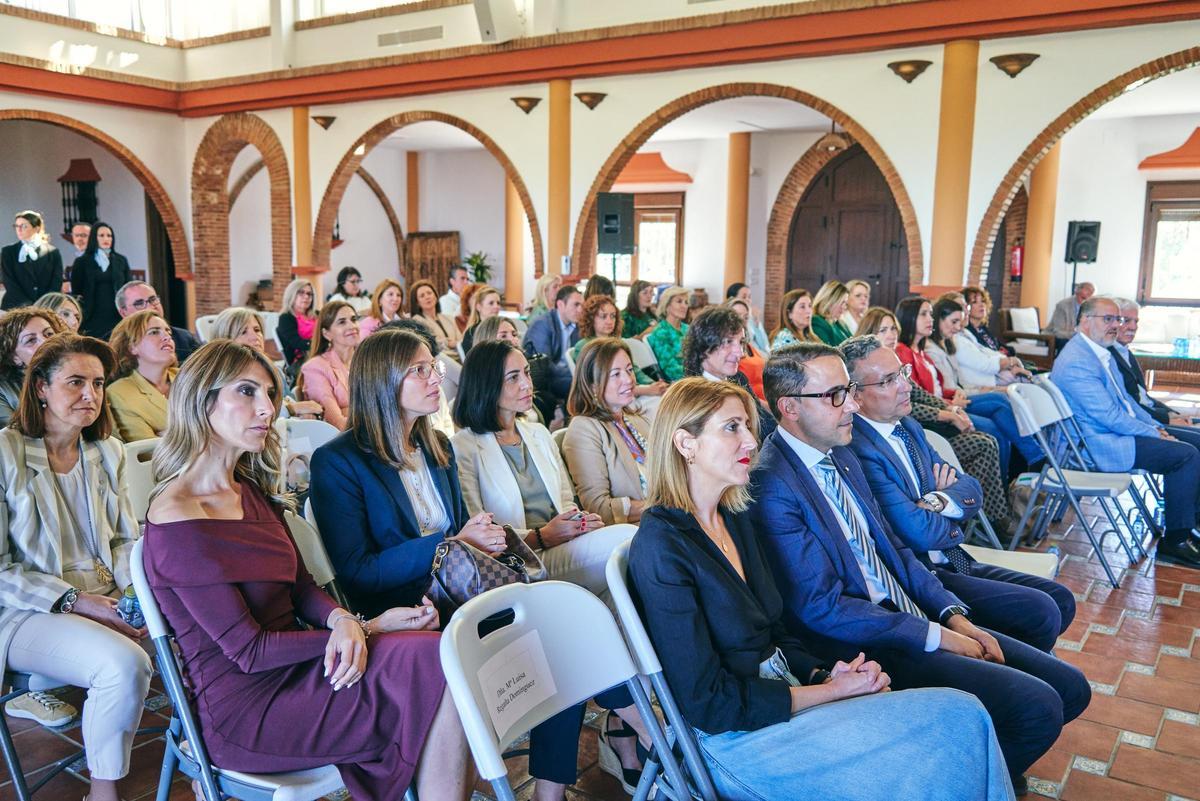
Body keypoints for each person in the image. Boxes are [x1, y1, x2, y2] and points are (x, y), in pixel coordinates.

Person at [628, 377, 1014, 801]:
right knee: (951, 729)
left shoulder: (732, 516)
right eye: (731, 427)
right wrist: (829, 691)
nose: (752, 442)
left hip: (785, 696)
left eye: (749, 427)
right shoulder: (663, 546)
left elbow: (775, 634)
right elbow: (707, 704)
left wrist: (826, 673)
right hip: (737, 741)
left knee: (963, 718)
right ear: (686, 443)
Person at [749, 343, 1090, 795]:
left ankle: (974, 768)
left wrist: (953, 615)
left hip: (910, 613)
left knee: (1070, 688)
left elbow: (894, 549)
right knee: (1039, 708)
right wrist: (938, 636)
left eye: (849, 390)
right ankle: (958, 778)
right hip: (863, 643)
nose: (852, 404)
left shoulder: (840, 451)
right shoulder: (774, 483)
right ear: (789, 408)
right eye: (836, 395)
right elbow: (822, 609)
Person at [142, 339, 475, 801]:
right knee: (434, 667)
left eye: (269, 394)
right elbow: (249, 652)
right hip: (248, 707)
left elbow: (299, 587)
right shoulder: (177, 518)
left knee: (443, 658)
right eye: (246, 392)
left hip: (308, 667)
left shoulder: (248, 491)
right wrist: (368, 627)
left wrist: (342, 619)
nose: (266, 409)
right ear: (202, 401)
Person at [451, 339, 653, 799]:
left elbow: (565, 501)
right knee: (630, 545)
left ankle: (553, 787)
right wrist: (545, 535)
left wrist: (577, 522)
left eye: (527, 373)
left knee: (574, 634)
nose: (528, 384)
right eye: (515, 377)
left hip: (560, 559)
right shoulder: (465, 446)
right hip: (515, 568)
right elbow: (479, 528)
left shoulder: (538, 432)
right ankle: (644, 724)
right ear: (487, 387)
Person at [842, 335, 1075, 652]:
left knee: (1060, 599)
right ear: (855, 395)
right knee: (1042, 611)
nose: (905, 386)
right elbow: (917, 534)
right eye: (888, 381)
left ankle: (1011, 658)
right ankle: (1007, 672)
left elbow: (970, 488)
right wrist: (954, 518)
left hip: (954, 556)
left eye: (903, 373)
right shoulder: (859, 447)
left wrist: (936, 500)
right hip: (926, 574)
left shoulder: (907, 426)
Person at [0, 333, 152, 801]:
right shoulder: (5, 452)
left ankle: (213, 756)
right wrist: (77, 602)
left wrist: (134, 597)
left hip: (102, 593)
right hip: (27, 609)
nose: (91, 395)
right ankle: (103, 794)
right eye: (75, 382)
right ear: (40, 387)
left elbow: (126, 540)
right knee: (124, 665)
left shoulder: (105, 451)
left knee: (200, 627)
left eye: (99, 383)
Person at [1051, 296, 1200, 568]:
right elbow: (1109, 417)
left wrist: (1155, 426)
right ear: (1085, 321)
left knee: (1197, 441)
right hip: (1100, 445)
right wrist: (1154, 433)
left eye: (1117, 319)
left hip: (1116, 432)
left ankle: (1189, 524)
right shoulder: (1077, 361)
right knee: (1186, 456)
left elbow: (1128, 404)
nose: (1116, 326)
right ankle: (1175, 542)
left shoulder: (1098, 351)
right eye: (1108, 319)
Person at [860, 307, 1010, 526]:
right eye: (883, 330)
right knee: (984, 440)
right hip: (929, 426)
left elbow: (922, 395)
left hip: (923, 425)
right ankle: (982, 522)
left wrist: (951, 409)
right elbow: (913, 406)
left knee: (992, 428)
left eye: (893, 328)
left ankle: (983, 517)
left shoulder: (901, 361)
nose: (891, 334)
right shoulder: (879, 368)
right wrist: (947, 414)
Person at [896, 297, 1036, 480]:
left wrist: (954, 394)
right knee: (995, 420)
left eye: (931, 314)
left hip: (947, 402)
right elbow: (919, 396)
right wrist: (951, 403)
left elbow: (941, 387)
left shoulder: (921, 351)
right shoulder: (905, 352)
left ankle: (1019, 472)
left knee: (1000, 405)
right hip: (935, 415)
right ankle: (1021, 470)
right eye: (924, 314)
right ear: (909, 317)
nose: (930, 319)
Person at [561, 338, 653, 524]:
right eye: (615, 374)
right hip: (637, 529)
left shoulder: (638, 420)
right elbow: (598, 508)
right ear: (593, 385)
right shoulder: (583, 429)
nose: (628, 380)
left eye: (629, 370)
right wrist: (662, 508)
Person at [211, 307, 324, 419]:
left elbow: (289, 400)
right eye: (243, 332)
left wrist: (304, 414)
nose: (255, 337)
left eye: (257, 330)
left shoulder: (275, 371)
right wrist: (291, 409)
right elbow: (247, 416)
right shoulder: (224, 378)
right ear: (225, 340)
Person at [683, 306, 776, 441]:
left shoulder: (739, 378)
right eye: (728, 342)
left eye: (740, 342)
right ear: (703, 345)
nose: (740, 353)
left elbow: (763, 424)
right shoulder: (690, 394)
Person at [571, 295, 667, 399]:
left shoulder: (617, 343)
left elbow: (634, 371)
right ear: (590, 318)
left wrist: (654, 385)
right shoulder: (583, 346)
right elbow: (601, 385)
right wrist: (646, 389)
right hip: (604, 404)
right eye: (603, 316)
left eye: (613, 316)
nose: (609, 321)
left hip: (630, 395)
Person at [926, 298, 1030, 392]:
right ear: (938, 319)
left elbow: (961, 383)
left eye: (967, 306)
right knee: (1005, 399)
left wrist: (990, 390)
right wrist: (992, 390)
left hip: (973, 389)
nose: (958, 327)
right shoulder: (935, 350)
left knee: (1023, 385)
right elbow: (950, 390)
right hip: (964, 395)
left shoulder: (950, 344)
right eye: (954, 322)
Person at [107, 310, 178, 442]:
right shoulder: (119, 393)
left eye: (168, 332)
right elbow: (146, 453)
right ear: (132, 347)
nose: (167, 337)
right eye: (154, 332)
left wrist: (167, 436)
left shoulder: (188, 377)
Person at [1110, 298, 1181, 426]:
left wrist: (1173, 413)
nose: (1133, 327)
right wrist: (1167, 418)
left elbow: (1145, 397)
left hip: (1150, 411)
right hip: (1140, 421)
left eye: (1136, 321)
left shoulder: (1125, 351)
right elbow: (1129, 406)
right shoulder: (1108, 357)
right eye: (1126, 321)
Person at [0, 308, 67, 427]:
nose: (46, 341)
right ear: (14, 357)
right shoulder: (3, 391)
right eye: (31, 340)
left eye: (49, 334)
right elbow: (11, 439)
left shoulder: (81, 376)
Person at [300, 301, 359, 431]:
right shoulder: (315, 367)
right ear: (327, 334)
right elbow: (335, 422)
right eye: (342, 322)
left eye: (354, 319)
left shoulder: (367, 361)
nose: (352, 326)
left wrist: (346, 410)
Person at [522, 284, 583, 405]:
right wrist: (575, 374)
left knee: (586, 383)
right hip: (544, 379)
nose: (580, 310)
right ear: (560, 305)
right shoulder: (543, 324)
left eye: (582, 305)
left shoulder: (576, 325)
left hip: (565, 374)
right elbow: (544, 365)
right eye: (576, 305)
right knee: (580, 386)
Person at [115, 280, 201, 363]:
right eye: (139, 303)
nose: (150, 307)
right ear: (123, 313)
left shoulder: (184, 338)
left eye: (153, 300)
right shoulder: (114, 345)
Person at [71, 221, 131, 340]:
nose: (106, 239)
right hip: (92, 314)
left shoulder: (120, 260)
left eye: (109, 236)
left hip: (116, 312)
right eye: (101, 235)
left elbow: (127, 287)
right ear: (94, 238)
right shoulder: (82, 262)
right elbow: (76, 291)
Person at [2, 211, 63, 311]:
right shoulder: (8, 252)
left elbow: (56, 282)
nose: (19, 229)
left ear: (37, 228)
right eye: (16, 226)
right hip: (15, 308)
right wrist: (28, 306)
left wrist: (43, 305)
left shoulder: (52, 252)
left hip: (46, 308)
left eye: (24, 226)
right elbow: (9, 281)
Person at [725, 298, 767, 400]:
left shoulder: (750, 347)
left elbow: (766, 348)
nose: (742, 320)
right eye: (736, 315)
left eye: (746, 316)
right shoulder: (727, 351)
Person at [646, 286, 690, 382]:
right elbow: (671, 369)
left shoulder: (688, 329)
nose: (684, 306)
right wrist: (700, 374)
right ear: (667, 306)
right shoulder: (660, 333)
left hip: (697, 377)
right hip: (679, 384)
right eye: (679, 301)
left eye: (686, 302)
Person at [410, 278, 461, 353]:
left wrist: (456, 344)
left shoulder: (449, 318)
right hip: (439, 359)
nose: (427, 297)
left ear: (436, 296)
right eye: (422, 296)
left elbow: (460, 339)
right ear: (417, 303)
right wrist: (448, 343)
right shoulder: (416, 321)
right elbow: (430, 343)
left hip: (459, 355)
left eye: (429, 293)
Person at [1044, 282, 1094, 350]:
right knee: (1069, 344)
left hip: (1075, 337)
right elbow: (1058, 332)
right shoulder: (1063, 306)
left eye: (1089, 297)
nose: (1086, 301)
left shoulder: (1091, 307)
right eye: (1083, 298)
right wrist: (1077, 334)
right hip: (1053, 338)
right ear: (1076, 293)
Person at [963, 286, 1011, 356]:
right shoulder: (967, 333)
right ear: (966, 307)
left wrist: (1006, 352)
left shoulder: (982, 329)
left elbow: (1006, 348)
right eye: (974, 302)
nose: (982, 305)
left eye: (983, 301)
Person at [725, 282, 770, 354]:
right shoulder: (729, 321)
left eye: (749, 297)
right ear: (732, 299)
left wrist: (757, 322)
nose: (748, 300)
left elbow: (765, 345)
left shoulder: (751, 317)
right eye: (744, 297)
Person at [460, 285, 502, 352]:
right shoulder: (471, 333)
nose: (496, 306)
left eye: (498, 303)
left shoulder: (502, 328)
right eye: (491, 303)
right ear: (479, 307)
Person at [811, 280, 853, 345]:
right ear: (829, 301)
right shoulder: (817, 322)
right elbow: (826, 350)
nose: (844, 307)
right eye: (842, 302)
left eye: (845, 303)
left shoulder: (839, 323)